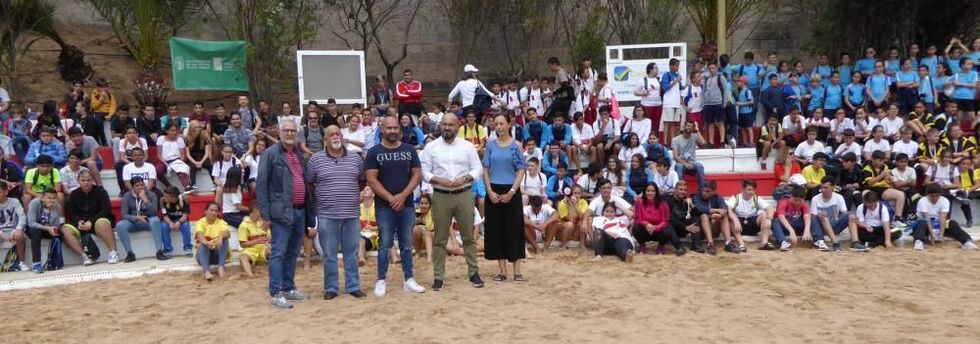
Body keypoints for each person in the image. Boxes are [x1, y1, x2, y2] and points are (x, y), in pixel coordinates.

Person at [421, 114, 484, 290]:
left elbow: (478, 168)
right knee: (440, 238)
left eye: (450, 125)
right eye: (444, 124)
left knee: (468, 236)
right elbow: (424, 171)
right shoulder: (431, 147)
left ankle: (473, 273)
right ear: (440, 126)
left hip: (463, 193)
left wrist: (464, 178)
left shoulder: (467, 146)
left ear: (457, 126)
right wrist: (438, 179)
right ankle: (438, 276)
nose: (447, 128)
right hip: (440, 195)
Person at [364, 116, 425, 297]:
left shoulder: (409, 150)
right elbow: (371, 179)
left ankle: (409, 279)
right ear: (382, 130)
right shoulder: (374, 152)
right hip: (384, 206)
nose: (392, 131)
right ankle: (381, 280)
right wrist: (391, 198)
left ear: (399, 129)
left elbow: (417, 174)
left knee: (406, 243)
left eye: (395, 128)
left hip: (406, 205)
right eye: (389, 128)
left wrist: (403, 195)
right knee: (385, 243)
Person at [309, 124, 367, 299]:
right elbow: (309, 184)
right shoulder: (315, 160)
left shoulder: (356, 159)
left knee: (352, 253)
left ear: (342, 137)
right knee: (329, 254)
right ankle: (331, 288)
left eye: (338, 134)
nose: (335, 137)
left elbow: (362, 181)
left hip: (351, 214)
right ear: (325, 140)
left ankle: (353, 286)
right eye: (331, 135)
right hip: (327, 215)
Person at [256, 120, 309, 309]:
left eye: (293, 131)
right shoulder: (270, 154)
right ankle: (276, 292)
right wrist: (265, 214)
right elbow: (261, 185)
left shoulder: (298, 154)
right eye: (286, 130)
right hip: (281, 212)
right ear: (279, 132)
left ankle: (288, 288)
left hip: (300, 210)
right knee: (278, 253)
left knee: (293, 252)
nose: (290, 133)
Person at [64, 170, 117, 264]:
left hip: (97, 221)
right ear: (78, 181)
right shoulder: (74, 194)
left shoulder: (101, 192)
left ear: (92, 180)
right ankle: (85, 256)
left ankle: (113, 253)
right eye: (83, 180)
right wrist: (78, 221)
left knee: (102, 222)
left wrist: (91, 221)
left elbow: (106, 210)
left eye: (88, 180)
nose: (86, 183)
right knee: (65, 230)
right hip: (81, 223)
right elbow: (72, 212)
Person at [911, 184, 978, 251]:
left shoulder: (944, 201)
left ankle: (966, 242)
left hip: (938, 226)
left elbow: (943, 218)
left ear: (940, 194)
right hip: (925, 227)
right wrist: (932, 235)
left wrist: (941, 235)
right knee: (921, 222)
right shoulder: (922, 201)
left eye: (937, 196)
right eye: (932, 196)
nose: (935, 198)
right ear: (927, 194)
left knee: (952, 223)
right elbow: (927, 218)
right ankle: (918, 242)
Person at [25, 189, 78, 273]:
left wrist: (52, 211)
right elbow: (31, 223)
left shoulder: (57, 206)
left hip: (47, 228)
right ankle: (36, 263)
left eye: (54, 198)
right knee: (36, 232)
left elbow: (56, 225)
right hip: (33, 228)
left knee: (59, 233)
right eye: (49, 198)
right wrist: (47, 228)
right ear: (43, 198)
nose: (52, 200)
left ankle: (54, 261)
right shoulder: (35, 203)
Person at [115, 176, 166, 262]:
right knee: (120, 225)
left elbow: (153, 212)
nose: (140, 187)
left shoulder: (152, 195)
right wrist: (136, 217)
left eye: (142, 185)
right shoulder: (127, 196)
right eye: (137, 186)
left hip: (148, 220)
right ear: (132, 187)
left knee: (156, 220)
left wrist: (145, 200)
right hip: (133, 221)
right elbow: (124, 215)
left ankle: (159, 251)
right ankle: (130, 253)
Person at [810, 177, 862, 252]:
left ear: (833, 187)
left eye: (826, 188)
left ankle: (855, 242)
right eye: (821, 187)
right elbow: (813, 217)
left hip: (834, 226)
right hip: (821, 228)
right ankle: (835, 243)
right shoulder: (815, 199)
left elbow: (845, 213)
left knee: (851, 215)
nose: (823, 190)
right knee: (822, 217)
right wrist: (818, 214)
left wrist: (853, 218)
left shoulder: (839, 197)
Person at [633, 182, 685, 256]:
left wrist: (656, 227)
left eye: (653, 191)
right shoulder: (639, 202)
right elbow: (638, 219)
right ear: (644, 191)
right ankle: (642, 245)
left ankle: (661, 245)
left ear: (656, 192)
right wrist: (646, 224)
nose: (650, 193)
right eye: (648, 190)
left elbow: (665, 221)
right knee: (636, 227)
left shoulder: (663, 203)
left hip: (658, 230)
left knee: (668, 228)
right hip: (645, 229)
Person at [772, 185, 828, 251]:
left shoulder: (804, 203)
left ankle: (819, 240)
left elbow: (807, 217)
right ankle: (783, 242)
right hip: (786, 227)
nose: (797, 202)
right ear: (791, 196)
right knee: (775, 221)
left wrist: (806, 230)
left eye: (800, 200)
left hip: (798, 225)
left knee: (813, 217)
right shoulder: (783, 202)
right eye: (795, 200)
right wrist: (791, 231)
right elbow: (781, 217)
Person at [727, 180, 774, 250]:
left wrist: (769, 217)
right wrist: (735, 219)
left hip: (752, 224)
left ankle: (764, 243)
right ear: (742, 189)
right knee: (730, 218)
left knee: (764, 214)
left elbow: (769, 208)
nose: (751, 192)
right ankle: (741, 244)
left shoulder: (756, 198)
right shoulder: (735, 198)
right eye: (749, 190)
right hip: (738, 226)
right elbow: (727, 209)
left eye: (753, 190)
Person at [193, 202, 230, 280]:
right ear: (206, 211)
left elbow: (227, 233)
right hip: (203, 256)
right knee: (203, 244)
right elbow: (199, 234)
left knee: (225, 240)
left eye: (216, 211)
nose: (214, 213)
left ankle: (221, 267)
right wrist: (206, 243)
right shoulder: (200, 222)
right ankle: (206, 272)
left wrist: (221, 237)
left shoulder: (221, 222)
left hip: (217, 255)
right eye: (211, 210)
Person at [155, 124, 193, 192]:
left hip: (176, 160)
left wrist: (179, 162)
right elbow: (159, 155)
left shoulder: (180, 140)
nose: (174, 132)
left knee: (181, 170)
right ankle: (168, 186)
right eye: (172, 130)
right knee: (158, 171)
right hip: (164, 161)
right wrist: (166, 164)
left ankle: (187, 187)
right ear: (167, 131)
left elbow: (182, 155)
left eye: (176, 130)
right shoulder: (161, 139)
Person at [672, 121, 707, 192]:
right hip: (682, 164)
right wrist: (686, 164)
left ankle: (701, 191)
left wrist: (697, 130)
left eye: (691, 126)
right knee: (679, 166)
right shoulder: (676, 139)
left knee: (700, 166)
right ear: (684, 126)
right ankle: (680, 190)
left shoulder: (695, 136)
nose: (689, 127)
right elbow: (675, 156)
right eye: (688, 125)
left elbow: (703, 143)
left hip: (692, 164)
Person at [159, 186, 193, 258]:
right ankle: (168, 250)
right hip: (168, 219)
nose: (164, 197)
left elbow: (185, 216)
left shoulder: (184, 199)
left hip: (181, 219)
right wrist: (170, 223)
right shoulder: (162, 200)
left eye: (166, 196)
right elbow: (165, 216)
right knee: (163, 226)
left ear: (173, 197)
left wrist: (179, 222)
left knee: (185, 226)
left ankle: (188, 249)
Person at [239, 203, 270, 277]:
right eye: (261, 210)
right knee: (243, 257)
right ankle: (250, 274)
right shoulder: (244, 225)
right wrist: (256, 241)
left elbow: (269, 238)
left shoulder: (263, 222)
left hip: (263, 248)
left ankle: (276, 271)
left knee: (272, 250)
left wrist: (269, 240)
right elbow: (242, 244)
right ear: (255, 210)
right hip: (250, 250)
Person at [0, 182, 26, 271]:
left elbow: (22, 216)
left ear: (6, 192)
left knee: (20, 235)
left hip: (13, 230)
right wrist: (1, 233)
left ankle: (21, 263)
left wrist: (18, 229)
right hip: (1, 232)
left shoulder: (14, 201)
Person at [556, 185, 590, 251]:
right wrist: (570, 204)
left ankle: (582, 245)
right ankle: (563, 245)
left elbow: (582, 216)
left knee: (583, 221)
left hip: (575, 231)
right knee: (570, 224)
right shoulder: (562, 203)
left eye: (579, 193)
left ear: (581, 194)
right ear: (571, 193)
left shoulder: (583, 202)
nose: (577, 195)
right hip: (563, 232)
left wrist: (575, 205)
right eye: (575, 193)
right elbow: (571, 219)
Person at [661, 58, 686, 145]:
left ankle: (672, 143)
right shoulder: (666, 75)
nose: (677, 67)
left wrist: (685, 86)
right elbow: (665, 88)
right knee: (667, 123)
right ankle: (665, 142)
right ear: (671, 66)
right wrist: (676, 81)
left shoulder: (677, 75)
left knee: (673, 124)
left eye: (678, 65)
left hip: (676, 102)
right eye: (676, 65)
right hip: (668, 102)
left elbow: (679, 88)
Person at [185, 120, 211, 192]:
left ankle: (215, 183)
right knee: (192, 166)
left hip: (203, 157)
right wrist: (196, 163)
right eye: (195, 127)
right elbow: (188, 154)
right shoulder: (187, 139)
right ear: (191, 128)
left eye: (199, 127)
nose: (198, 129)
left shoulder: (204, 137)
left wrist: (201, 162)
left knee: (209, 164)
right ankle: (192, 185)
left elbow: (207, 153)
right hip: (192, 158)